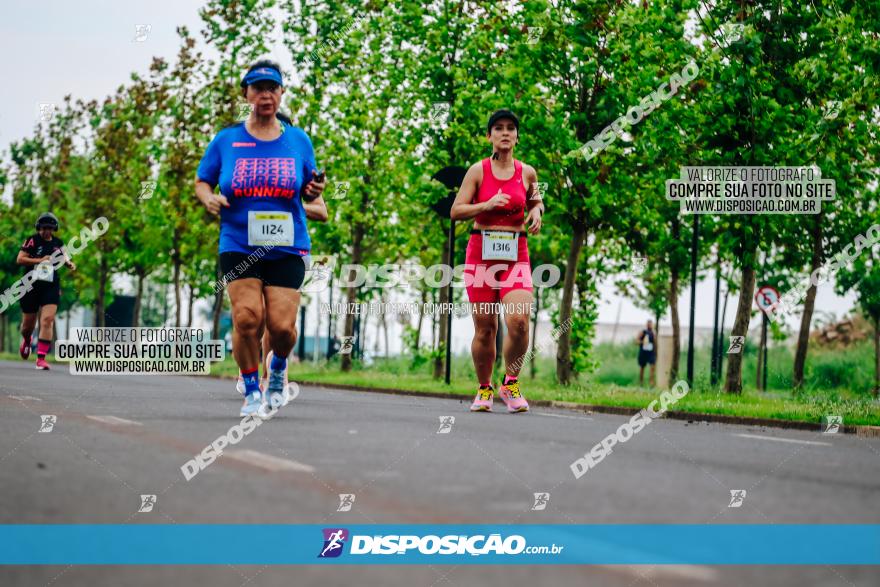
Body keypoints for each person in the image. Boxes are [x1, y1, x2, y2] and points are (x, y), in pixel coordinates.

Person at [196, 59, 327, 417]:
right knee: (247, 318)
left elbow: (312, 191)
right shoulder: (226, 140)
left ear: (282, 93)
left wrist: (314, 188)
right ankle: (252, 389)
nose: (265, 95)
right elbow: (202, 179)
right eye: (258, 88)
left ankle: (279, 366)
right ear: (247, 94)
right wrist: (208, 197)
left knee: (282, 328)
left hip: (287, 243)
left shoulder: (298, 140)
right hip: (238, 242)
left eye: (272, 88)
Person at [450, 110, 544, 413]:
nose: (505, 133)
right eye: (498, 128)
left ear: (517, 136)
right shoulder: (477, 171)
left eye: (511, 129)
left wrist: (537, 211)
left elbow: (536, 199)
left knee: (519, 322)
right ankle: (484, 388)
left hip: (516, 253)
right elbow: (456, 210)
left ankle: (511, 382)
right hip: (481, 253)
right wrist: (486, 204)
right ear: (490, 136)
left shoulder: (527, 172)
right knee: (485, 328)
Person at [17, 212, 76, 370]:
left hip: (50, 285)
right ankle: (27, 340)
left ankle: (41, 358)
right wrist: (39, 260)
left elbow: (64, 256)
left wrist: (69, 263)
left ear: (54, 229)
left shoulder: (58, 243)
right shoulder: (32, 240)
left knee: (48, 319)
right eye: (43, 228)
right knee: (27, 326)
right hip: (30, 285)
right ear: (38, 227)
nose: (46, 231)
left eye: (49, 228)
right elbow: (20, 259)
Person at [637, 319, 656, 386]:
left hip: (650, 353)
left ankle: (651, 383)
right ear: (646, 324)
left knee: (652, 367)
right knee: (642, 368)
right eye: (648, 324)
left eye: (651, 324)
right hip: (643, 352)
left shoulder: (653, 333)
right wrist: (643, 342)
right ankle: (641, 383)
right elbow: (637, 341)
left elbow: (655, 343)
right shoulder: (643, 332)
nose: (650, 325)